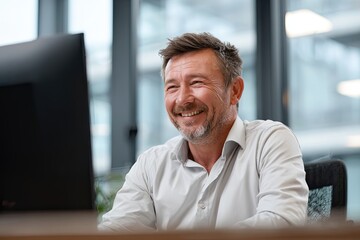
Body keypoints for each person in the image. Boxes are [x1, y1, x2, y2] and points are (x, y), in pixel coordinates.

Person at [99, 32, 309, 232]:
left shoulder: (270, 141)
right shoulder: (151, 165)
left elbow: (282, 226)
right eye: (172, 87)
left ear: (235, 90)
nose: (182, 99)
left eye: (196, 83)